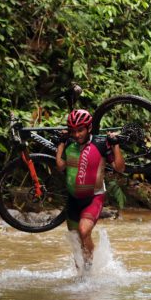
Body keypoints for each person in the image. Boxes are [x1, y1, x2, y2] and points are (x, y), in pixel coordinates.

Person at [55, 109, 125, 271]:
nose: (77, 134)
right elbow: (60, 166)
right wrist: (60, 143)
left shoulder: (101, 144)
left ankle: (90, 272)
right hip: (73, 200)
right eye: (73, 131)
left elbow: (119, 168)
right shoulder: (69, 144)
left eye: (80, 130)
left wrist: (115, 145)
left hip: (94, 197)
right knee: (76, 241)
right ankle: (81, 277)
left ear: (89, 128)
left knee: (83, 230)